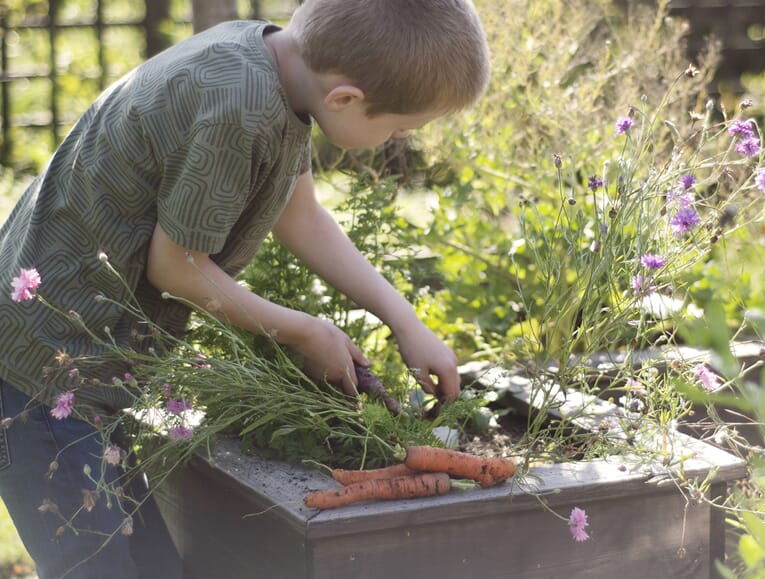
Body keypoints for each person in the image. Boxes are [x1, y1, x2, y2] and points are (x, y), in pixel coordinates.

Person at [0, 0, 490, 576]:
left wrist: (405, 320)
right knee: (94, 566)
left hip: (91, 370)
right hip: (37, 374)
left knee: (152, 567)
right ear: (346, 99)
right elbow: (177, 267)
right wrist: (306, 330)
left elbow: (300, 215)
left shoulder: (271, 66)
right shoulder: (240, 109)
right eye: (401, 127)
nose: (399, 139)